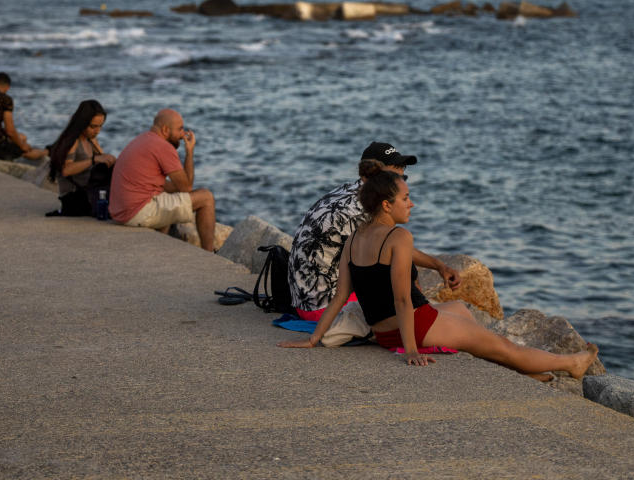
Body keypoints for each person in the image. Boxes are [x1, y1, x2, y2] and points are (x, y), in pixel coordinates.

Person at [280, 169, 600, 377]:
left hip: (381, 329)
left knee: (460, 309)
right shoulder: (399, 238)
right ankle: (571, 364)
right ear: (387, 205)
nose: (412, 204)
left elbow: (339, 298)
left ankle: (514, 364)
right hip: (413, 327)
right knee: (504, 345)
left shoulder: (354, 239)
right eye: (406, 198)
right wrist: (412, 351)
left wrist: (314, 339)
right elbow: (403, 300)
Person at [287, 141, 462, 321]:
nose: (400, 185)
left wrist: (439, 266)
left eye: (403, 178)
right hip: (321, 306)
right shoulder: (359, 209)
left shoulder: (350, 191)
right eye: (393, 178)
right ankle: (418, 327)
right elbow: (395, 251)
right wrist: (437, 266)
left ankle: (420, 320)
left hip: (304, 297)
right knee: (402, 267)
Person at [109, 108, 216, 251]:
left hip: (121, 212)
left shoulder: (141, 140)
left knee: (166, 196)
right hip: (137, 213)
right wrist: (189, 152)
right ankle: (209, 254)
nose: (182, 134)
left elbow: (170, 187)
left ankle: (159, 247)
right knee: (206, 198)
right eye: (180, 129)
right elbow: (187, 188)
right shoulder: (163, 146)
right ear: (165, 130)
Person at [48, 100, 116, 216]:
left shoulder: (91, 139)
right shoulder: (73, 141)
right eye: (93, 126)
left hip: (90, 192)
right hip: (74, 198)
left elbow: (103, 160)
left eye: (100, 126)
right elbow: (66, 170)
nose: (97, 131)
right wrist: (93, 160)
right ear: (82, 123)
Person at [0, 72, 47, 161]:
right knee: (24, 144)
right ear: (8, 87)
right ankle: (40, 157)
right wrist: (23, 146)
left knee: (21, 137)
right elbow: (10, 131)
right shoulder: (5, 99)